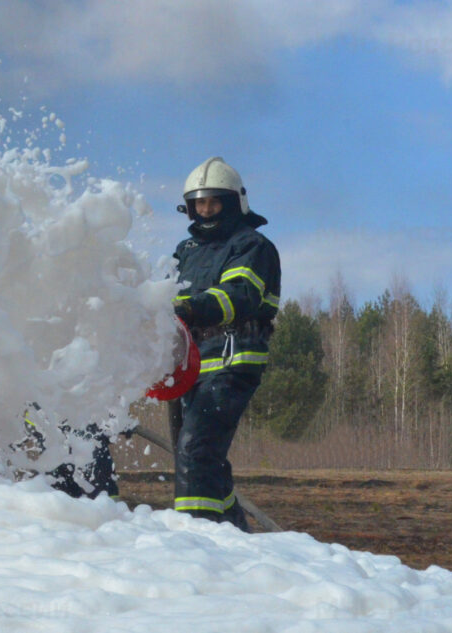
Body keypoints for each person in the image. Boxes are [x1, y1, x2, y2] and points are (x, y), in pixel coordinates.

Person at [169, 157, 280, 531]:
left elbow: (239, 294)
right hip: (192, 364)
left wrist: (187, 307)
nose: (205, 210)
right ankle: (232, 531)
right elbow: (163, 297)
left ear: (234, 202)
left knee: (195, 450)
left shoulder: (251, 245)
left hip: (233, 360)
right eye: (198, 203)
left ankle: (195, 536)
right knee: (204, 456)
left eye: (213, 202)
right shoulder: (186, 251)